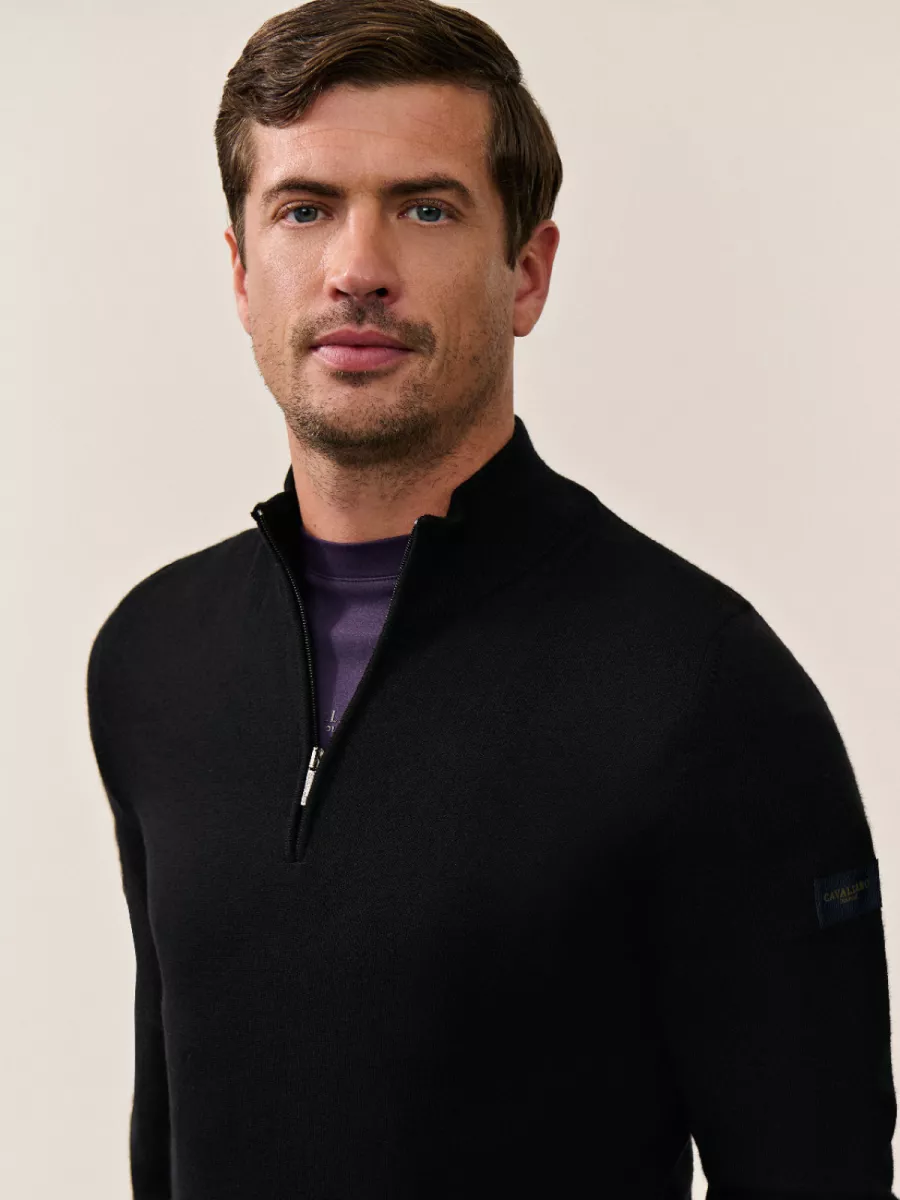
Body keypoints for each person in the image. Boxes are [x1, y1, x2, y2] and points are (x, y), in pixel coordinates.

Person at [86, 1, 897, 1196]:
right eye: (306, 208)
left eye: (426, 208)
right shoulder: (154, 655)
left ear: (526, 272)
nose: (358, 269)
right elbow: (170, 1138)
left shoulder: (704, 690)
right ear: (242, 273)